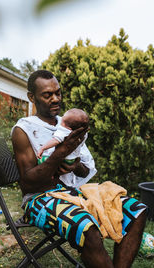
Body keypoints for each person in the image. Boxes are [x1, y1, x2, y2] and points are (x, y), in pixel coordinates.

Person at [11, 70, 147, 268]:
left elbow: (84, 170)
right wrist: (62, 150)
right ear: (32, 97)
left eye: (58, 93)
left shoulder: (67, 124)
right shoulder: (23, 130)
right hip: (39, 199)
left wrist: (75, 163)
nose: (55, 99)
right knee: (86, 225)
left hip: (73, 192)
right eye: (47, 95)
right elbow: (29, 182)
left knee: (137, 211)